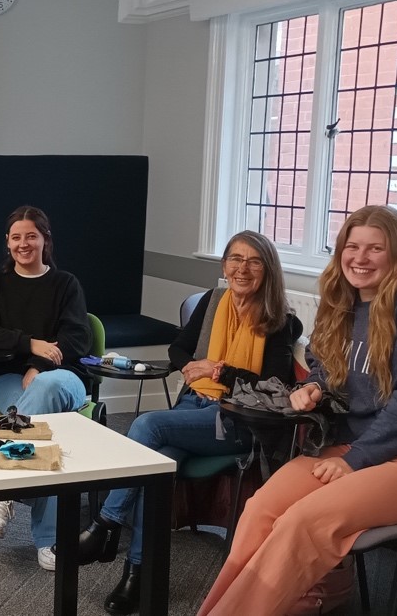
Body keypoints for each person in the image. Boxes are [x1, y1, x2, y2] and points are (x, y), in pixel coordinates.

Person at [198, 206, 397, 615]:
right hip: (355, 447)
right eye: (352, 246)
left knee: (302, 521)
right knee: (260, 509)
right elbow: (326, 367)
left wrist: (357, 461)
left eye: (376, 248)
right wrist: (313, 388)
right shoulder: (342, 305)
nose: (361, 258)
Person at [76, 230, 302, 615]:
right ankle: (137, 575)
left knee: (147, 427)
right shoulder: (214, 302)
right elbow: (179, 347)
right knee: (157, 465)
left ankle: (105, 524)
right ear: (223, 265)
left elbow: (273, 384)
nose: (242, 268)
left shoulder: (282, 322)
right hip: (195, 406)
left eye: (253, 261)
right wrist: (192, 366)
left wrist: (218, 370)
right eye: (235, 259)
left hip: (238, 420)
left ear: (268, 270)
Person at [0, 205, 90, 571]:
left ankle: (5, 487)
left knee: (46, 390)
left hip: (64, 378)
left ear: (45, 240)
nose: (23, 243)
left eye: (31, 236)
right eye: (16, 237)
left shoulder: (66, 284)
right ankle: (51, 541)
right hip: (5, 382)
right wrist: (28, 344)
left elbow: (77, 338)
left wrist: (41, 365)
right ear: (7, 242)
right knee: (47, 434)